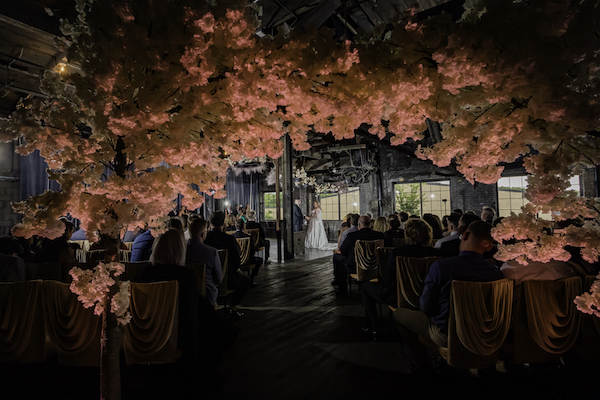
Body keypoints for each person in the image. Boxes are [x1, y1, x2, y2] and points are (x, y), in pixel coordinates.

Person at [393, 221, 503, 372]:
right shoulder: (495, 272)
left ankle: (424, 363)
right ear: (490, 246)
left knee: (399, 314)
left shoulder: (441, 267)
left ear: (465, 234)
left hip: (447, 332)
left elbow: (426, 306)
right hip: (484, 333)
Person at [361, 218, 440, 338]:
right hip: (429, 298)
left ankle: (373, 327)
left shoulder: (398, 252)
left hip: (400, 296)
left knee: (365, 286)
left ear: (407, 234)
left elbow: (389, 280)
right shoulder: (437, 253)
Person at [204, 211, 249, 319]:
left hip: (207, 278)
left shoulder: (205, 239)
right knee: (245, 280)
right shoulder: (229, 239)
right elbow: (236, 260)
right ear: (223, 223)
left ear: (210, 222)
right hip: (227, 278)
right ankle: (232, 307)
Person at [332, 215, 385, 298]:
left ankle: (342, 290)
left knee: (337, 258)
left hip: (355, 267)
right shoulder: (380, 236)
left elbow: (343, 250)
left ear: (359, 225)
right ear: (370, 224)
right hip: (376, 267)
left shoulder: (352, 236)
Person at [186, 218, 223, 307]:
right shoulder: (212, 252)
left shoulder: (181, 251)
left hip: (186, 295)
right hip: (207, 295)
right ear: (203, 234)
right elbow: (219, 279)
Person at [232, 219, 263, 286]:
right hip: (248, 261)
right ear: (243, 226)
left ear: (235, 226)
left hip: (235, 261)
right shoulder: (248, 237)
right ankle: (251, 278)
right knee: (259, 260)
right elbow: (252, 251)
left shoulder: (232, 237)